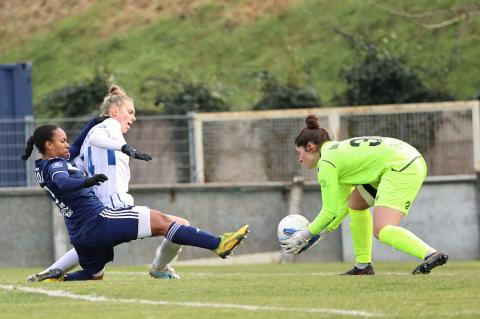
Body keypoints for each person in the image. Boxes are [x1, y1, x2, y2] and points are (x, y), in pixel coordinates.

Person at [22, 124, 249, 281]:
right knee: (163, 222)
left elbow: (76, 148)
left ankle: (57, 277)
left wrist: (93, 122)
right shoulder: (55, 165)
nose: (66, 144)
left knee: (93, 276)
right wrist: (87, 181)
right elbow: (62, 182)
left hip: (80, 234)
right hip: (99, 221)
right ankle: (218, 243)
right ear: (48, 145)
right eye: (62, 141)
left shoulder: (42, 166)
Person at [27, 85, 187, 281]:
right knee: (176, 225)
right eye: (130, 112)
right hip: (111, 204)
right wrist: (124, 147)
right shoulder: (108, 128)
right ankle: (160, 268)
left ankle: (50, 273)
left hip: (95, 207)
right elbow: (92, 141)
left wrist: (98, 118)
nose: (133, 118)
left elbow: (78, 147)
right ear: (113, 112)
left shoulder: (82, 144)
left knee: (94, 264)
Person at [280, 114, 448, 275]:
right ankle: (363, 266)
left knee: (381, 228)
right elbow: (341, 208)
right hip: (403, 159)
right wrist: (318, 235)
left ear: (310, 147)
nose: (299, 159)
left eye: (299, 153)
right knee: (355, 204)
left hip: (402, 165)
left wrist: (304, 235)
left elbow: (329, 211)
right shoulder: (335, 153)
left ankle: (430, 254)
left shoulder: (326, 163)